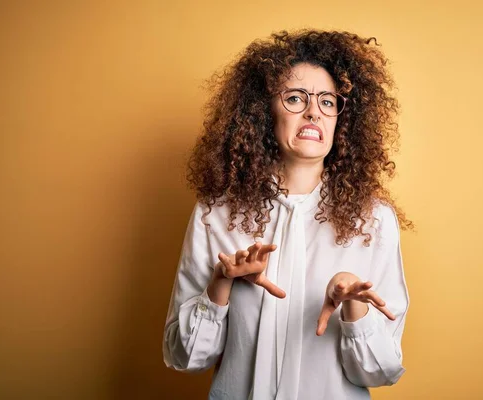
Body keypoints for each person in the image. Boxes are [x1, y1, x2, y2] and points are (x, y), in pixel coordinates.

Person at [162, 29, 412, 400]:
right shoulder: (215, 214)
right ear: (264, 113)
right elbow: (185, 357)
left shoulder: (373, 220)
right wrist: (221, 284)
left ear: (341, 120)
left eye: (328, 102)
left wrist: (353, 303)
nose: (314, 110)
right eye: (296, 98)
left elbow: (381, 371)